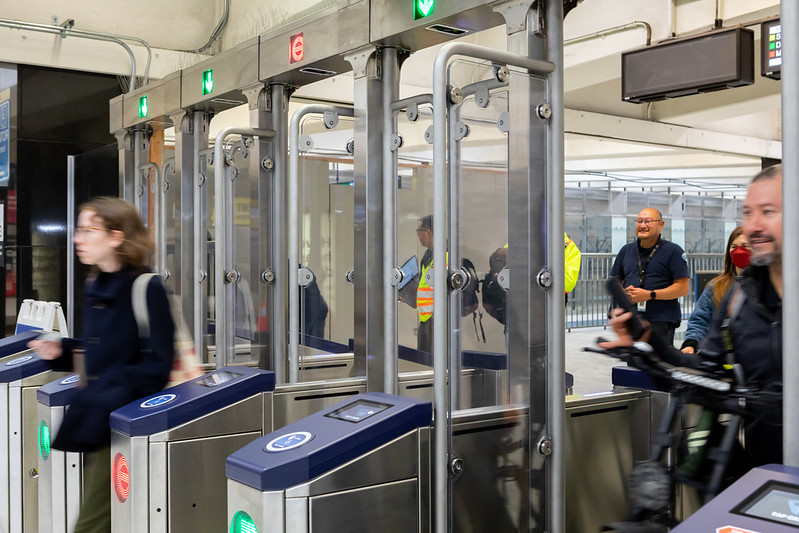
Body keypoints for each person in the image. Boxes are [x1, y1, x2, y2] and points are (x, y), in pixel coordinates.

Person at [602, 164, 783, 471]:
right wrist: (648, 345)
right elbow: (705, 373)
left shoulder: (674, 253)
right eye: (748, 213)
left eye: (768, 211)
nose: (754, 226)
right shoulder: (739, 298)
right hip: (766, 474)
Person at [28, 196, 175, 533]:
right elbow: (99, 349)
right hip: (96, 421)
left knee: (92, 524)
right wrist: (62, 351)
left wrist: (108, 391)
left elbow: (157, 367)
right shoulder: (94, 285)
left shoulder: (145, 287)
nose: (78, 239)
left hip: (125, 425)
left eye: (87, 230)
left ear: (116, 236)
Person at [609, 208, 689, 345]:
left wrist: (649, 294)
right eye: (639, 221)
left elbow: (682, 288)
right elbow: (615, 281)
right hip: (632, 320)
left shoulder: (673, 251)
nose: (643, 225)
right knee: (633, 364)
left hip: (661, 320)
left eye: (648, 221)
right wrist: (620, 300)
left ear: (661, 225)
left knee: (658, 363)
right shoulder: (626, 251)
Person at [680, 227, 749, 353]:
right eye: (734, 247)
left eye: (745, 246)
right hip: (722, 357)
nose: (739, 251)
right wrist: (691, 344)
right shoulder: (716, 287)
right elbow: (699, 321)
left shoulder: (767, 286)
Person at [416, 215, 434, 353]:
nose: (418, 234)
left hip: (437, 319)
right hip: (425, 319)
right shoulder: (427, 255)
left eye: (419, 230)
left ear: (428, 232)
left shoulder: (445, 254)